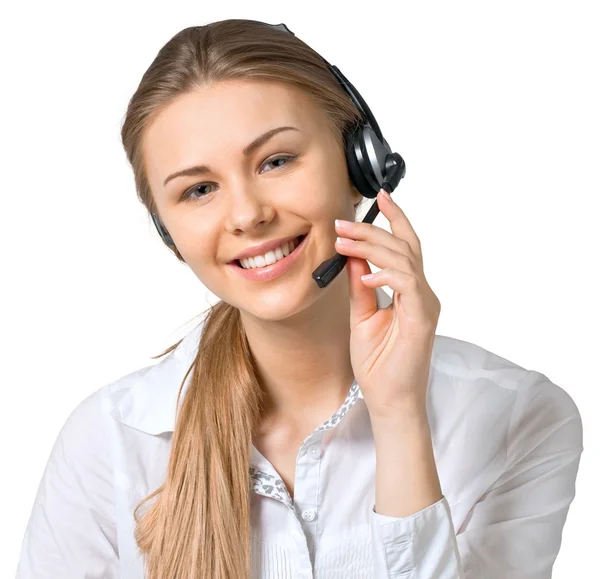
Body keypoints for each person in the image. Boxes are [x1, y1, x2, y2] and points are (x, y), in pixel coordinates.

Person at [16, 19, 583, 579]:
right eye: (199, 190)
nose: (247, 215)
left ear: (361, 160)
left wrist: (399, 415)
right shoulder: (110, 442)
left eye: (277, 161)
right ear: (170, 234)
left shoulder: (519, 419)